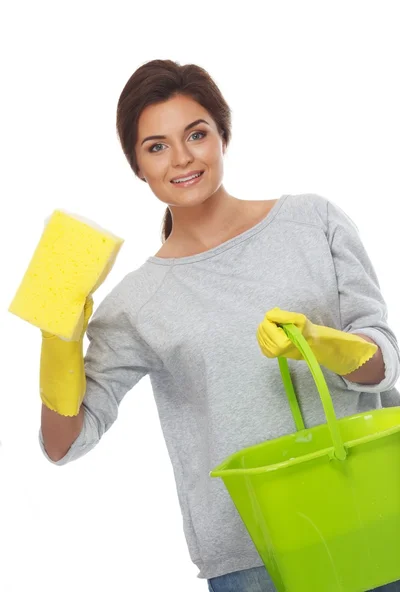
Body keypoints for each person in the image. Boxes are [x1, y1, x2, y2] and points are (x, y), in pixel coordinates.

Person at [39, 59, 400, 592]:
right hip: (249, 555)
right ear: (137, 166)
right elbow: (63, 444)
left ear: (222, 136)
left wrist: (325, 345)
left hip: (372, 513)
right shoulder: (138, 304)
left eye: (196, 134)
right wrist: (58, 339)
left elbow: (385, 364)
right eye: (156, 146)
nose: (182, 158)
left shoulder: (312, 221)